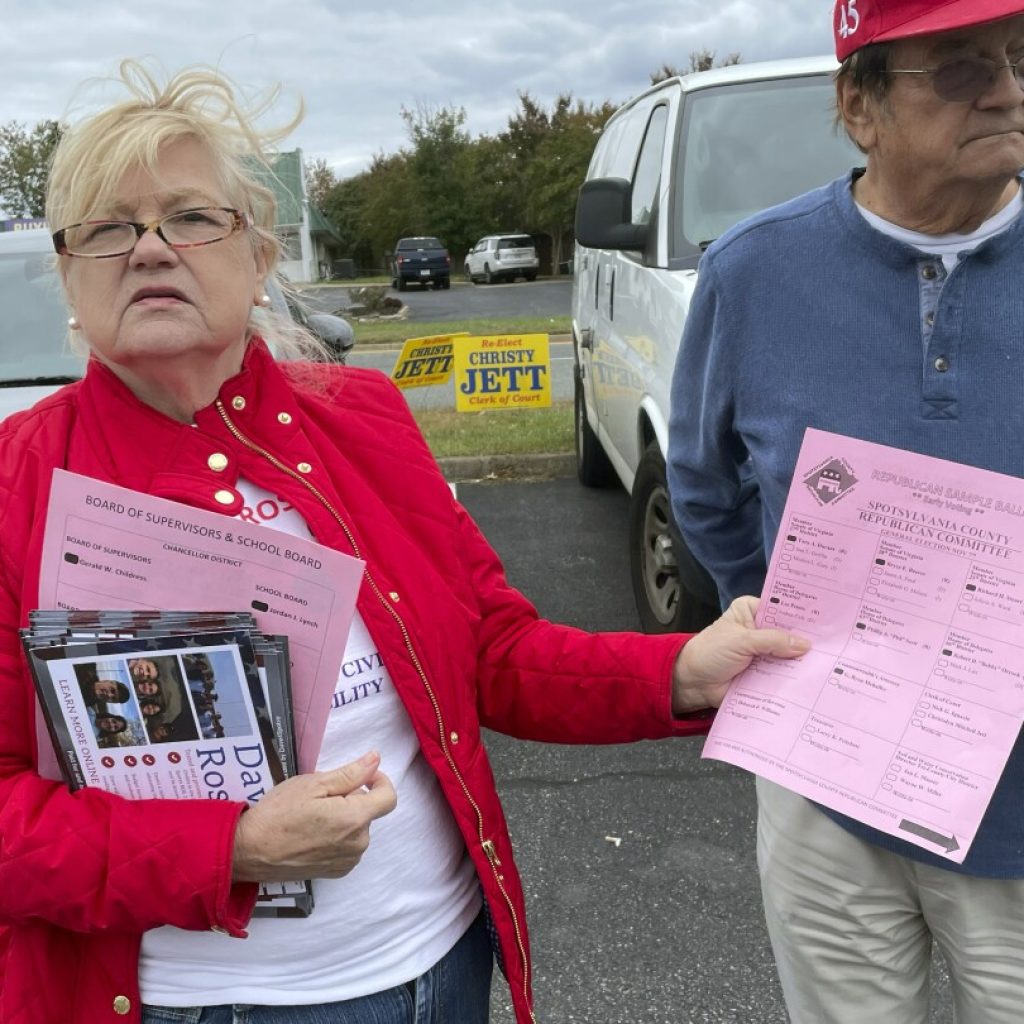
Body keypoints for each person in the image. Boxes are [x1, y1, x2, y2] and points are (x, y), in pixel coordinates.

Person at [0, 61, 810, 1024]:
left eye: (189, 217)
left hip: (440, 967)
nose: (149, 250)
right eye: (106, 229)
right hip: (201, 1004)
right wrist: (230, 850)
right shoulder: (19, 485)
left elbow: (491, 653)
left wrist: (682, 670)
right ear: (70, 277)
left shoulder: (364, 418)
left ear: (261, 257)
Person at [667, 2, 1024, 1021]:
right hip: (824, 787)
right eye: (958, 68)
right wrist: (798, 632)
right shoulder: (754, 272)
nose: (1002, 87)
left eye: (1015, 57)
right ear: (857, 103)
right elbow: (703, 480)